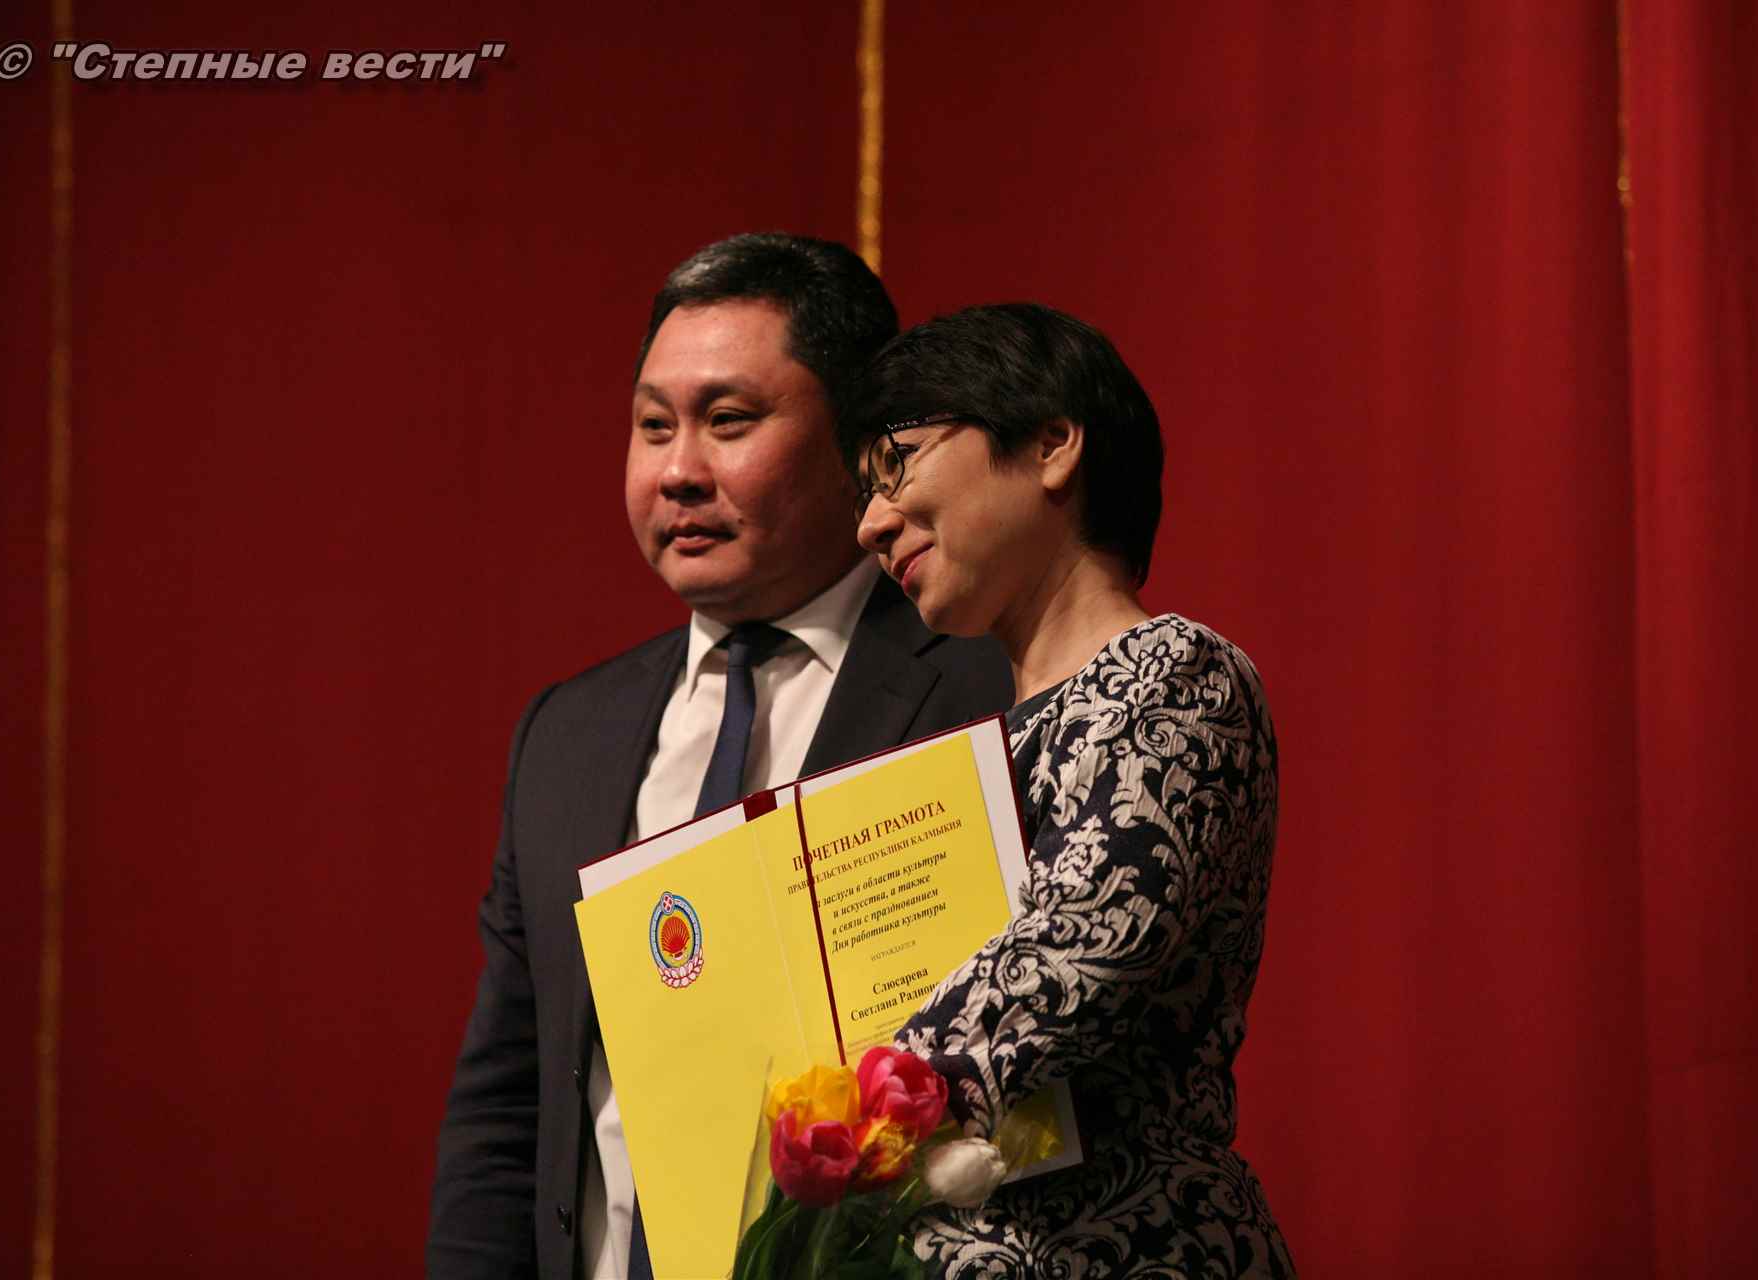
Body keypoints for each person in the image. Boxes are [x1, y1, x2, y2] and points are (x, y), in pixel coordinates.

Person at [427, 234, 1013, 1280]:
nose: (678, 471)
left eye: (729, 421)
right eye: (654, 425)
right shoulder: (567, 734)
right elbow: (509, 1103)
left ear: (861, 444)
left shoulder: (988, 692)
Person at [845, 303, 1296, 1276]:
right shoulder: (974, 749)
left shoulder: (1175, 673)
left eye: (898, 464)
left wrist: (827, 1114)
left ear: (1051, 443)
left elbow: (1071, 956)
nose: (870, 523)